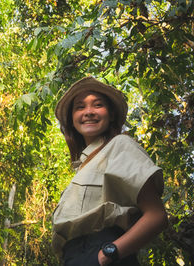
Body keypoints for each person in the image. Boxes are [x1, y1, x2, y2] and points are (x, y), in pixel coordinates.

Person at [52, 76, 168, 265]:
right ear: (72, 119)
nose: (88, 112)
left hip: (104, 252)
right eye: (80, 107)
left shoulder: (120, 145)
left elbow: (157, 216)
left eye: (97, 105)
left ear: (111, 114)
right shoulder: (83, 167)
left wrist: (107, 254)